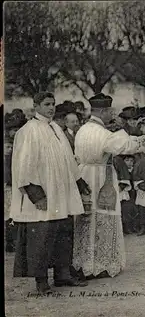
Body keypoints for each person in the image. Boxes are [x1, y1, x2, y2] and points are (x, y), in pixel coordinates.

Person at [73, 93, 145, 279]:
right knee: (102, 218)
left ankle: (83, 263)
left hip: (84, 175)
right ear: (103, 111)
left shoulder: (83, 129)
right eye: (110, 111)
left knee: (86, 220)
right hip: (100, 177)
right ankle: (99, 265)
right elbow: (125, 147)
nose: (112, 114)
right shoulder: (102, 133)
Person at [11, 91, 89, 294]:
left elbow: (67, 158)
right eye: (46, 104)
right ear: (35, 105)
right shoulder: (28, 131)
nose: (51, 108)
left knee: (63, 231)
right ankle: (41, 281)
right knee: (42, 236)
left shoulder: (55, 127)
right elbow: (23, 164)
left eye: (53, 104)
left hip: (61, 191)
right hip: (43, 192)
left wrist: (78, 181)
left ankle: (62, 275)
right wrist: (36, 194)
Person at [4, 136, 16, 253]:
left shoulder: (11, 160)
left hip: (10, 190)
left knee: (9, 216)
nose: (10, 149)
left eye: (11, 147)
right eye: (7, 147)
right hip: (6, 189)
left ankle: (10, 243)